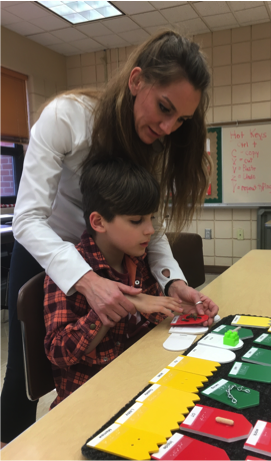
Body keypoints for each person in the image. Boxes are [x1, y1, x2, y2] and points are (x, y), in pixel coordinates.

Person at [0, 29, 219, 446]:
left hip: (103, 250)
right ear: (137, 81)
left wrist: (173, 281)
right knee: (23, 375)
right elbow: (27, 219)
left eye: (181, 121)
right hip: (47, 249)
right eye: (164, 108)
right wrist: (88, 281)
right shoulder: (68, 117)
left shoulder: (149, 142)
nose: (168, 127)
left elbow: (146, 225)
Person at [44, 158, 183, 408]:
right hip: (91, 402)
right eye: (136, 220)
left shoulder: (137, 260)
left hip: (139, 384)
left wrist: (184, 311)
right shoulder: (69, 270)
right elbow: (59, 352)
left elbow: (154, 317)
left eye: (151, 218)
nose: (150, 230)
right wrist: (119, 303)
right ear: (98, 222)